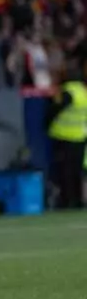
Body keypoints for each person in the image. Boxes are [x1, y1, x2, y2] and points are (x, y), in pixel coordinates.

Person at [44, 66, 87, 209]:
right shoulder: (83, 92)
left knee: (64, 171)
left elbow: (53, 110)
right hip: (80, 136)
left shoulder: (66, 93)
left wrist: (45, 125)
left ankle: (66, 200)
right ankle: (78, 199)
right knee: (76, 171)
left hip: (63, 136)